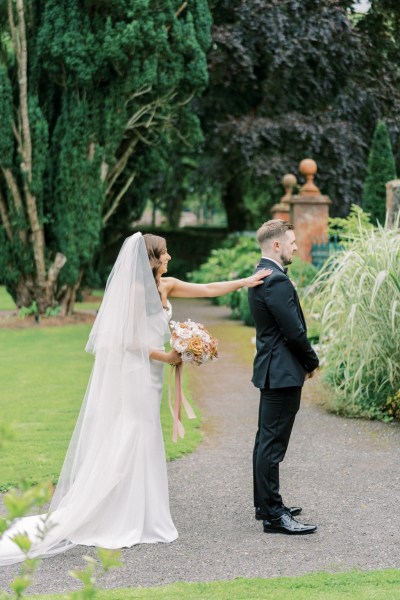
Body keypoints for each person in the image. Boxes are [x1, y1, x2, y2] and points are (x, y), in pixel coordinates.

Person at [0, 232, 270, 566]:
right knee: (132, 434)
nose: (169, 257)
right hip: (136, 374)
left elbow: (207, 289)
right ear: (153, 258)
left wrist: (247, 281)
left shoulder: (166, 285)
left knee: (144, 436)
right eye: (165, 253)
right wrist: (168, 356)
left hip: (152, 376)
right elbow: (124, 340)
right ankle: (118, 516)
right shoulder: (135, 290)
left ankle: (143, 515)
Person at [248, 219, 319, 535]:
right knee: (271, 445)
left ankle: (266, 505)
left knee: (265, 441)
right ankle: (274, 515)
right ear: (276, 245)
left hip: (274, 370)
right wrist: (311, 360)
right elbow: (293, 331)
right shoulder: (274, 280)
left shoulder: (261, 275)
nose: (295, 246)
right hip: (282, 371)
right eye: (291, 242)